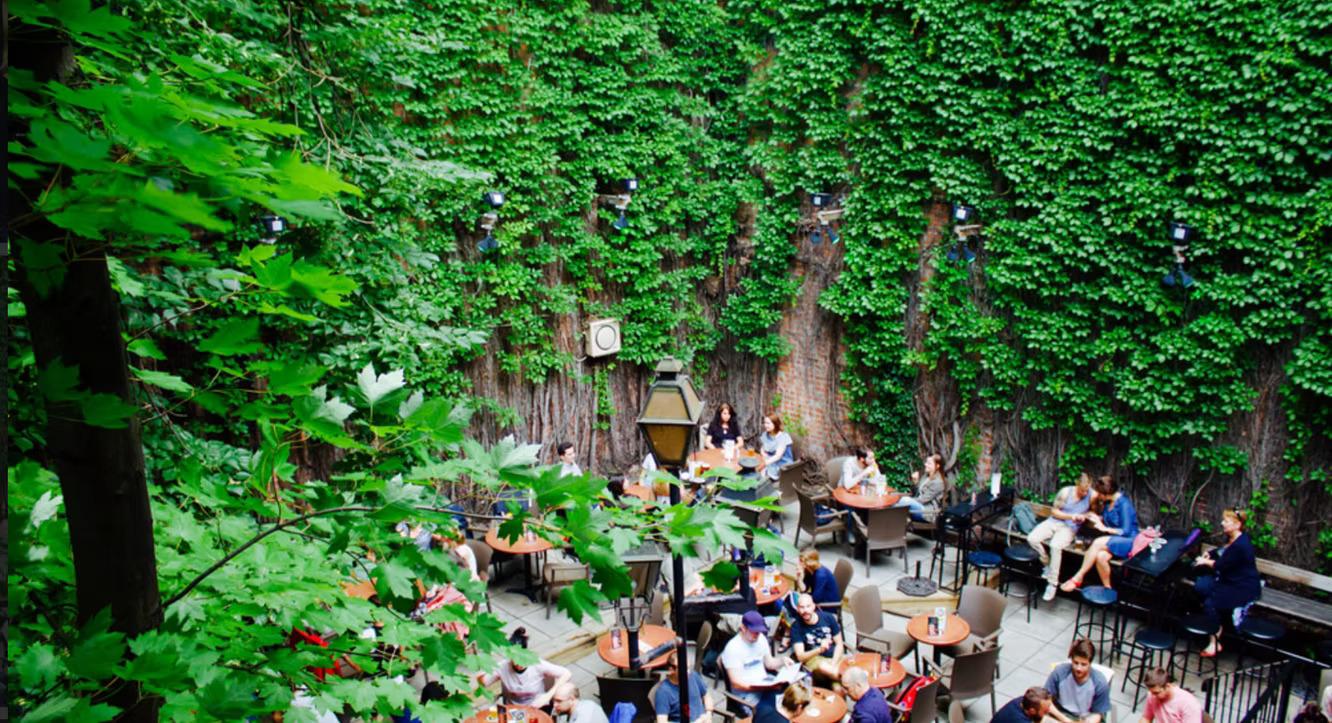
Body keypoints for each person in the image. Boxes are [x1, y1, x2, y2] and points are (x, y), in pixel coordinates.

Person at [1192, 508, 1262, 656]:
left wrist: (1205, 561)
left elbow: (1221, 565)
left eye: (1226, 521)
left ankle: (1214, 641)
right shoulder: (1233, 539)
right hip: (1229, 581)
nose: (1222, 523)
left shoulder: (1241, 545)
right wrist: (1209, 554)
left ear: (1237, 525)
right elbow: (1221, 552)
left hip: (1242, 587)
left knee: (1211, 603)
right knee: (1202, 587)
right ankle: (1216, 620)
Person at [1062, 476, 1140, 592]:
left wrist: (1105, 529)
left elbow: (1126, 531)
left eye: (1099, 493)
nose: (1097, 495)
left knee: (1097, 542)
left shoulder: (1124, 504)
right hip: (1114, 540)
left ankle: (1078, 577)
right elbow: (1109, 520)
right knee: (1101, 557)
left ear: (1106, 493)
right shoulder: (1109, 502)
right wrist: (1097, 518)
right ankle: (1107, 589)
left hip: (1129, 541)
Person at [1029, 473, 1093, 601]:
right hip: (1054, 522)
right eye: (1082, 490)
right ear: (1077, 485)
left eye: (1086, 491)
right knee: (1032, 538)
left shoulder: (1091, 494)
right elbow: (1054, 511)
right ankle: (1047, 563)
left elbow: (1095, 511)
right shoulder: (1065, 493)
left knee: (1055, 546)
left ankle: (1052, 583)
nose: (1085, 493)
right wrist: (1071, 516)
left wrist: (1085, 516)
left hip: (1070, 528)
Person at [480, 628, 572, 708]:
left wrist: (548, 695)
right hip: (512, 709)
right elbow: (483, 682)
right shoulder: (503, 666)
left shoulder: (537, 664)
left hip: (536, 707)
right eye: (514, 658)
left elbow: (567, 673)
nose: (518, 662)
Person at [720, 610, 789, 713]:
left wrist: (783, 660)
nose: (757, 635)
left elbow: (769, 663)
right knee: (777, 712)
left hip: (765, 683)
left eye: (759, 632)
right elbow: (737, 684)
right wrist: (764, 688)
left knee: (792, 700)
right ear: (743, 628)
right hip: (747, 695)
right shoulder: (733, 648)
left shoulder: (761, 639)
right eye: (754, 632)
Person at [1044, 639, 1111, 723]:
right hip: (1061, 713)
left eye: (1083, 664)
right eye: (1076, 663)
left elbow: (1098, 713)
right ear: (1071, 660)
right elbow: (1045, 700)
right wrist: (1065, 720)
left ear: (1090, 663)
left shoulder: (1099, 683)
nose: (1078, 668)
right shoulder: (1059, 672)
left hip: (1085, 717)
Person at [789, 594, 845, 684]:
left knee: (838, 689)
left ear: (814, 606)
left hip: (835, 657)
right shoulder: (796, 627)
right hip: (815, 659)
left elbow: (839, 643)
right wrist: (819, 649)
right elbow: (800, 657)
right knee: (823, 666)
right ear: (798, 609)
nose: (805, 610)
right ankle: (848, 681)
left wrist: (833, 663)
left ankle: (845, 680)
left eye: (808, 606)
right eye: (802, 607)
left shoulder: (828, 617)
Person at [654, 650, 713, 723]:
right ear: (671, 669)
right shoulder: (663, 692)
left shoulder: (693, 676)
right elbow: (661, 721)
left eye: (688, 668)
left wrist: (708, 713)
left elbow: (706, 695)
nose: (688, 672)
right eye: (684, 669)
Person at [909, 453, 948, 522]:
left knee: (902, 502)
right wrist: (916, 481)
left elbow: (923, 500)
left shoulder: (938, 482)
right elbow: (918, 493)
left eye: (929, 463)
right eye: (926, 462)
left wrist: (908, 501)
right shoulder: (926, 476)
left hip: (928, 512)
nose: (925, 464)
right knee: (899, 504)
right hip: (918, 507)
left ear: (937, 466)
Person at [759, 415, 794, 482]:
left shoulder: (783, 437)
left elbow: (778, 456)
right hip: (770, 461)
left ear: (775, 424)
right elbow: (763, 448)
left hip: (782, 465)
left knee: (761, 474)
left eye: (768, 423)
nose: (766, 425)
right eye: (765, 423)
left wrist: (765, 463)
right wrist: (763, 454)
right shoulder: (766, 435)